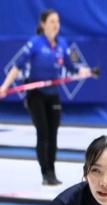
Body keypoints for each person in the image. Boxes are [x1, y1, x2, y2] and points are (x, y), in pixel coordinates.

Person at [0, 9, 91, 185]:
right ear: (43, 24)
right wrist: (4, 87)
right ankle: (45, 173)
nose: (56, 25)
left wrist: (84, 71)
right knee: (43, 133)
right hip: (36, 95)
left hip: (53, 93)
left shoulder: (62, 44)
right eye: (52, 21)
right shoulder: (35, 43)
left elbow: (71, 68)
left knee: (53, 133)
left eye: (58, 21)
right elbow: (17, 66)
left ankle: (52, 172)